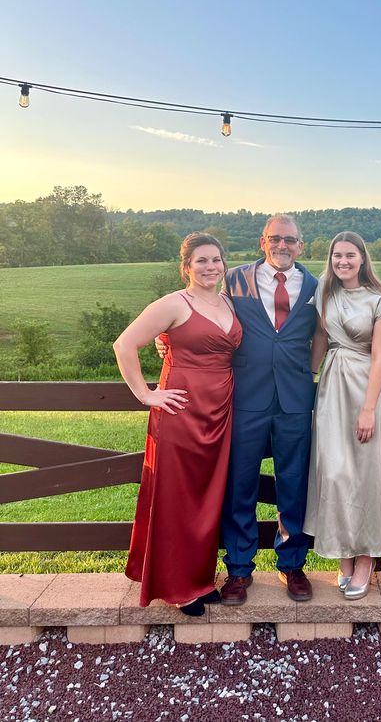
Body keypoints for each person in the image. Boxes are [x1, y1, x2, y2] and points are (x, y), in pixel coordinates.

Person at [114, 232, 241, 616]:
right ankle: (178, 585)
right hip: (180, 411)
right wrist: (145, 394)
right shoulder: (173, 303)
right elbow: (124, 344)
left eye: (216, 260)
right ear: (186, 267)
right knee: (178, 496)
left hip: (220, 410)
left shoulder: (228, 303)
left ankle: (201, 579)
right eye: (201, 261)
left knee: (207, 497)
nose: (210, 267)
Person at [218, 214, 318, 605]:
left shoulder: (315, 285)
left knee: (293, 483)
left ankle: (291, 564)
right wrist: (166, 338)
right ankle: (239, 570)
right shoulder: (234, 279)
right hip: (247, 397)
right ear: (263, 241)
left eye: (290, 240)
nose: (283, 246)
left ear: (301, 245)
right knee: (239, 484)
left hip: (295, 399)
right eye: (276, 238)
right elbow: (198, 310)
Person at [304, 231, 381, 600]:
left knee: (365, 475)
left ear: (362, 259)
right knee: (334, 471)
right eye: (336, 256)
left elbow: (380, 358)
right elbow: (318, 338)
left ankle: (365, 560)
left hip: (368, 389)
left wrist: (368, 410)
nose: (342, 261)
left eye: (350, 255)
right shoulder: (324, 294)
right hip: (332, 389)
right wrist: (308, 378)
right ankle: (342, 553)